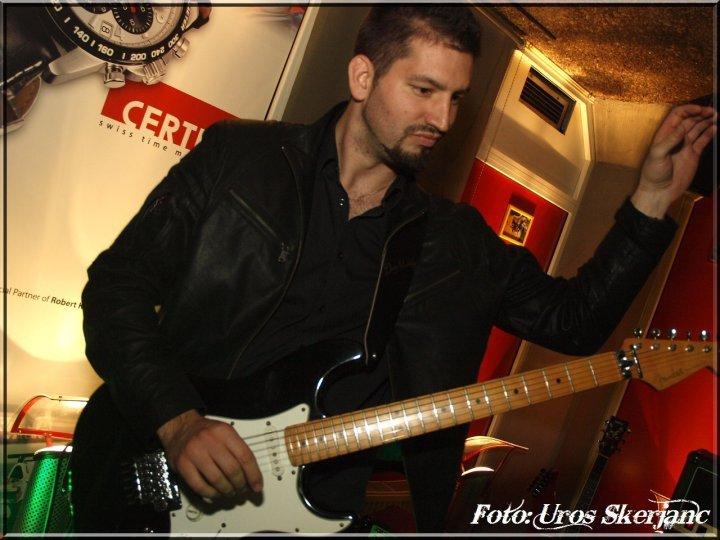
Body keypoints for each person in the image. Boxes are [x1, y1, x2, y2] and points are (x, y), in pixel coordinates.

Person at [79, 6, 716, 532]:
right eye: (424, 90)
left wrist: (651, 201)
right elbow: (116, 290)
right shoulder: (241, 158)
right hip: (150, 469)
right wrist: (179, 421)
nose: (443, 120)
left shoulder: (455, 241)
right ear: (363, 77)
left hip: (314, 509)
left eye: (456, 98)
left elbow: (573, 323)